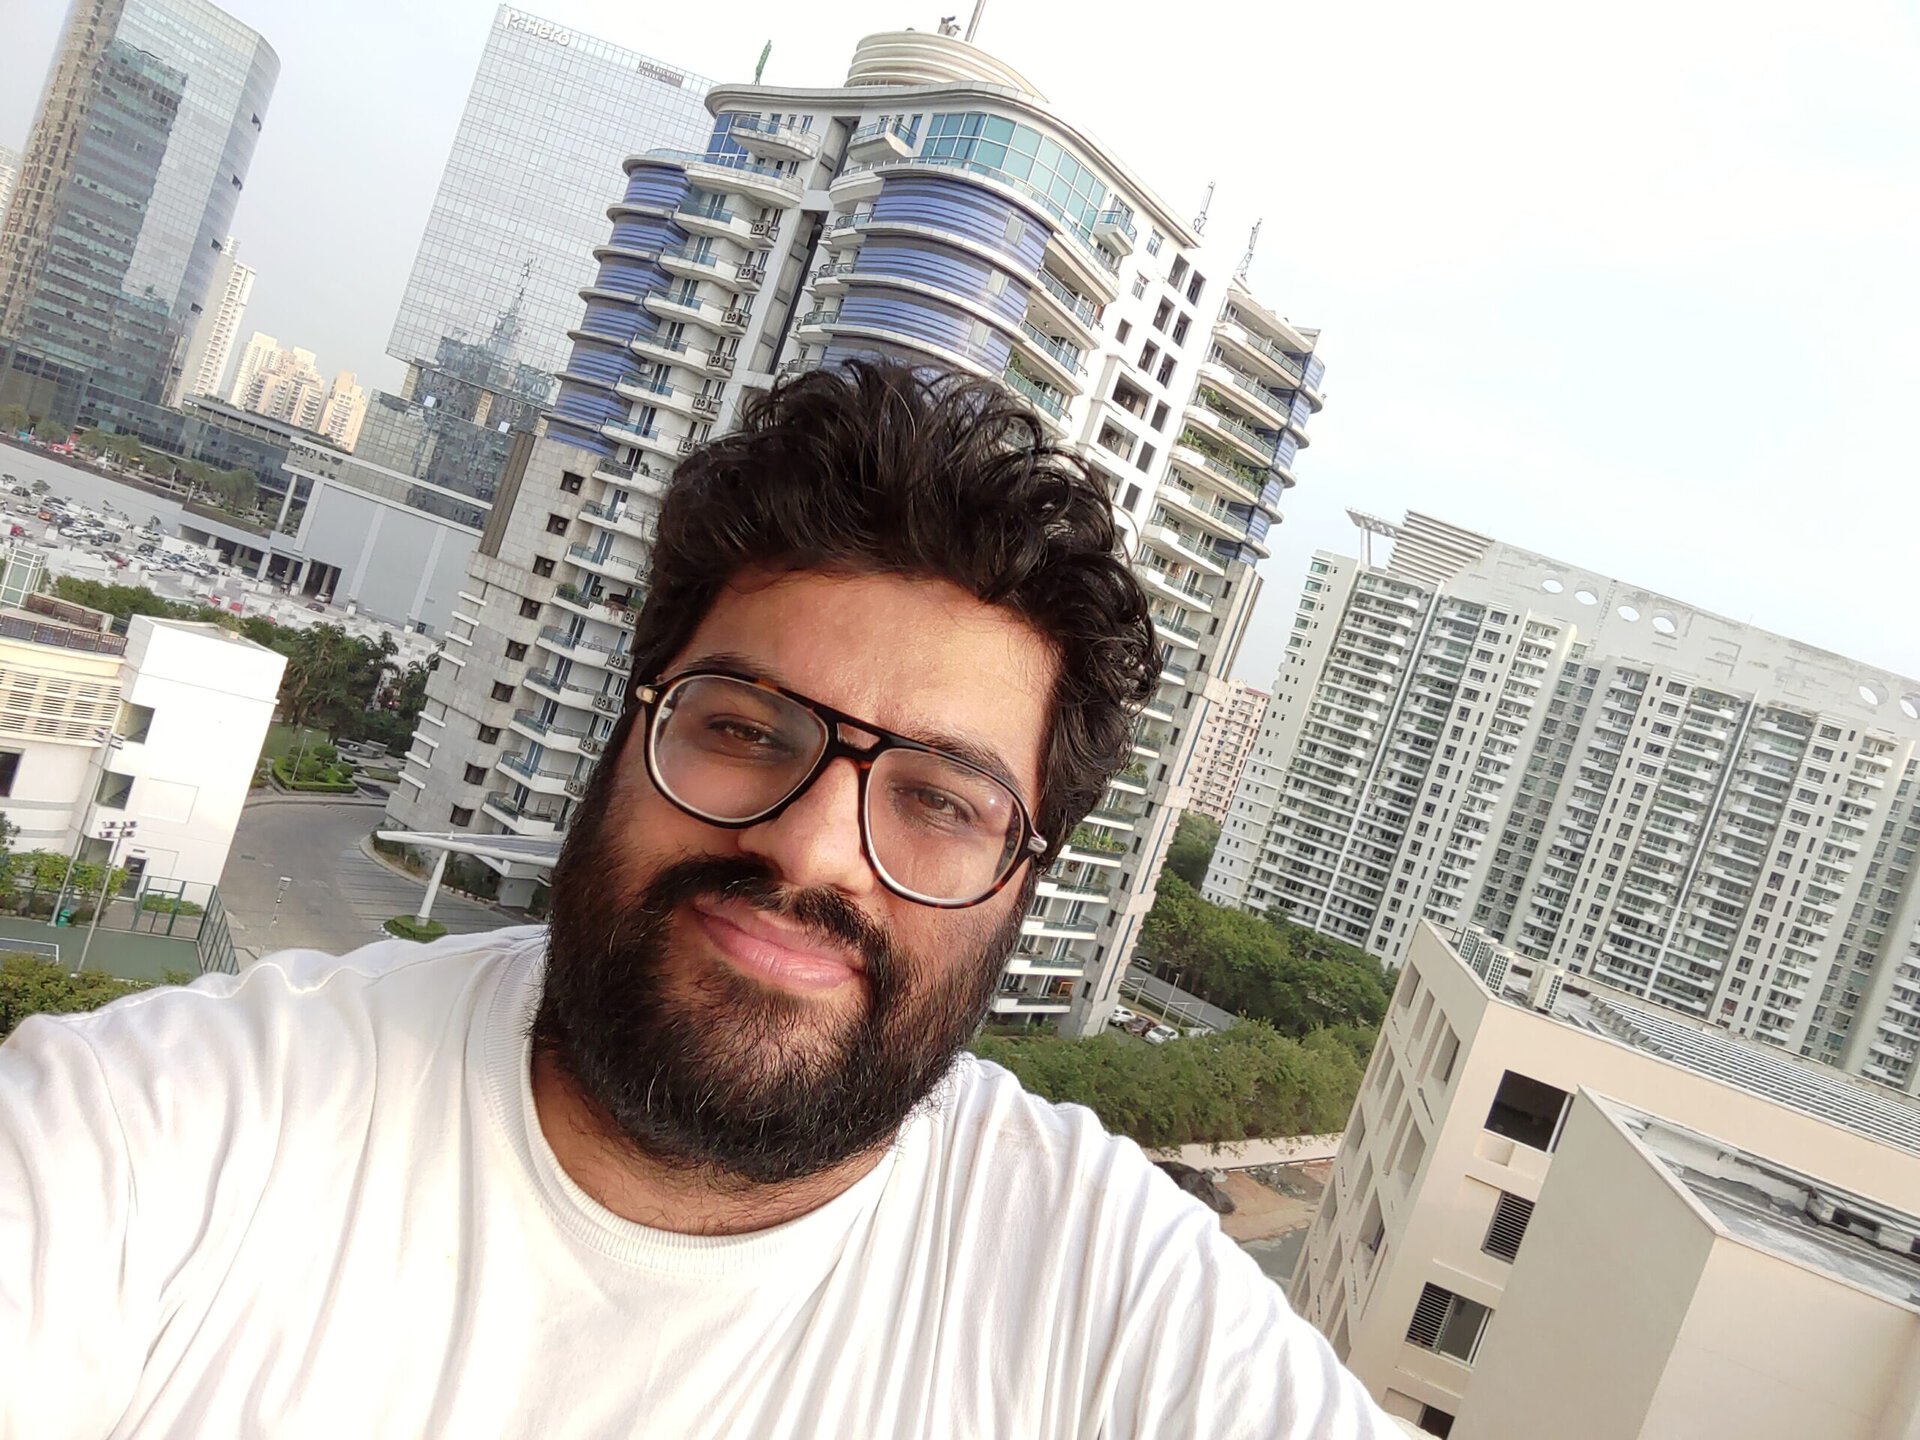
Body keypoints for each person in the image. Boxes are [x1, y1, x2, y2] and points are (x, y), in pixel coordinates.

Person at [0, 361, 1396, 1437]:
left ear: (1025, 884)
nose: (814, 851)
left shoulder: (1117, 1300)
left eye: (939, 800)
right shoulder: (149, 1139)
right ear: (625, 733)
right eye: (743, 727)